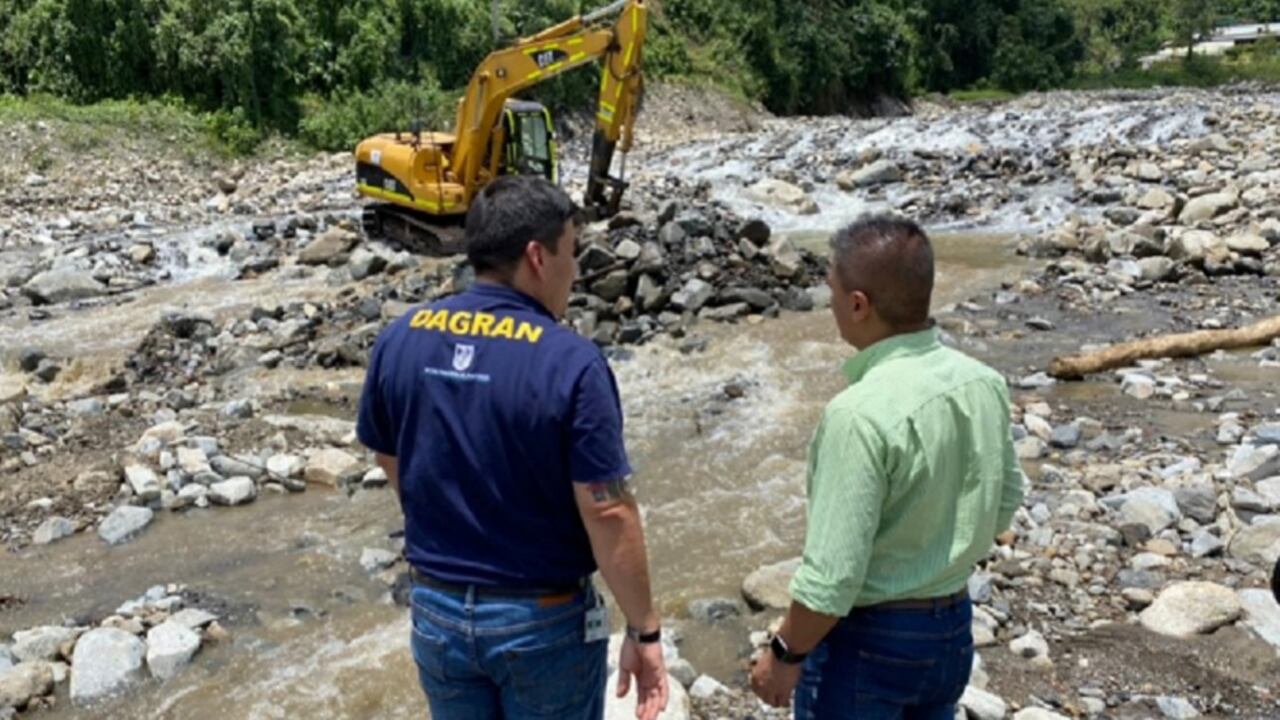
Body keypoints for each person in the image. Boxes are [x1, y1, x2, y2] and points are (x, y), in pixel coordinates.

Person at [356, 175, 668, 720]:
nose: (576, 270)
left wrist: (450, 520)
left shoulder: (401, 337)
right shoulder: (572, 362)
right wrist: (645, 630)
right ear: (537, 257)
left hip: (437, 610)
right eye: (571, 252)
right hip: (541, 622)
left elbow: (389, 453)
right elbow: (607, 508)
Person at [750, 215, 1026, 719]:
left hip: (869, 642)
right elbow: (1005, 500)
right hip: (952, 628)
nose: (830, 303)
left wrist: (784, 654)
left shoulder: (856, 415)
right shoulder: (982, 382)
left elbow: (833, 577)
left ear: (858, 305)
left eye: (832, 292)